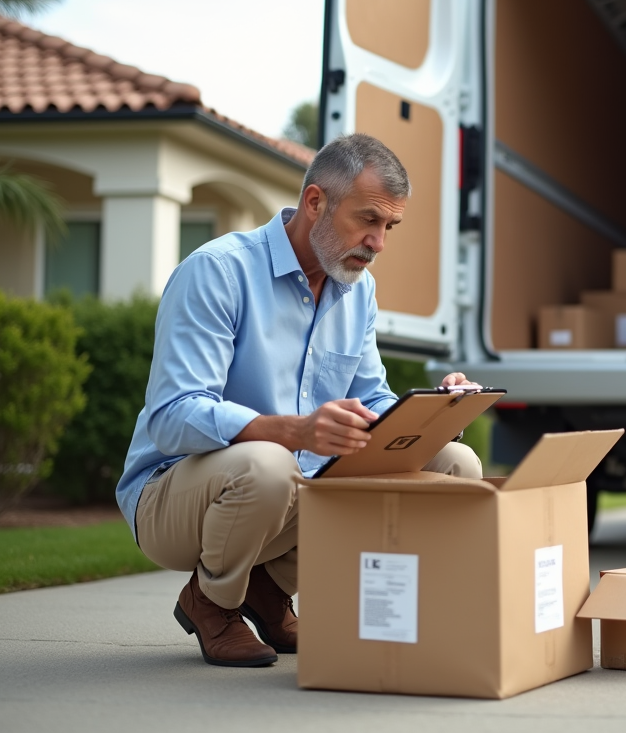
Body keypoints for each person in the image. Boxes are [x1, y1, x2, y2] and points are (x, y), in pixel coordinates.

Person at [115, 133, 481, 668]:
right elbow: (173, 416)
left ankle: (268, 588)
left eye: (389, 227)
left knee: (454, 464)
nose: (379, 243)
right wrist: (293, 431)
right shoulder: (218, 271)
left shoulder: (358, 289)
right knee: (269, 463)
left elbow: (371, 399)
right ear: (315, 202)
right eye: (368, 220)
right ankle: (211, 601)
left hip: (290, 489)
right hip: (173, 496)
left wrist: (435, 415)